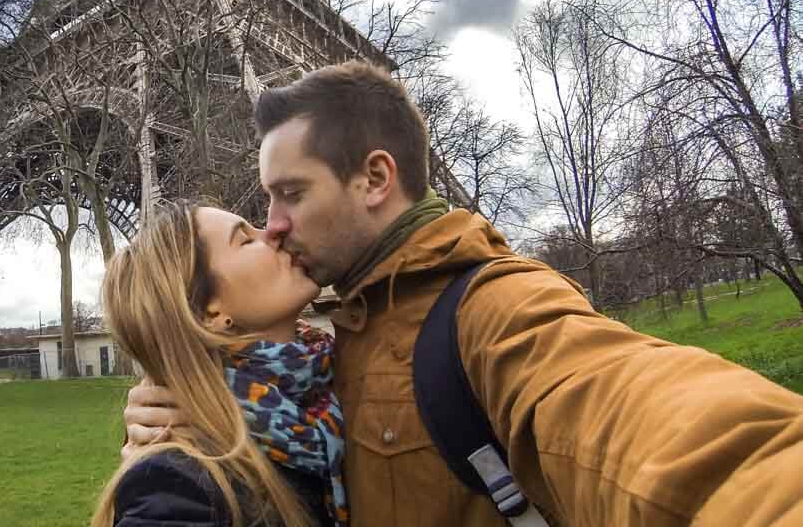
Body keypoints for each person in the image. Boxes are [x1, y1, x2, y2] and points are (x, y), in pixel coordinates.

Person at [124, 60, 803, 526]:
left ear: (373, 179)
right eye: (259, 214)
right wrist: (182, 400)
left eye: (290, 195)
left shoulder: (494, 306)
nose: (273, 227)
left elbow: (664, 429)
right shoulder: (319, 365)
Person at [91, 202, 346, 527]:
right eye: (245, 239)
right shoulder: (178, 488)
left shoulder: (333, 386)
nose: (272, 231)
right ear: (209, 314)